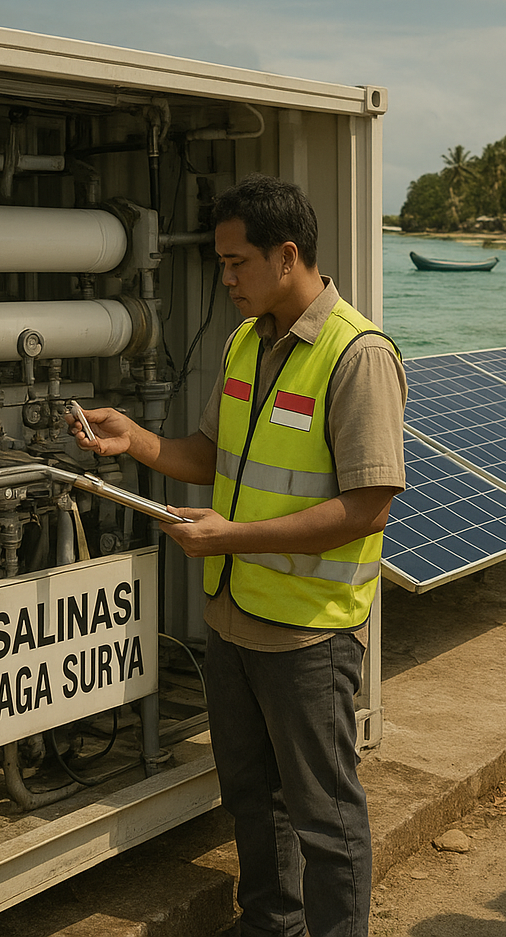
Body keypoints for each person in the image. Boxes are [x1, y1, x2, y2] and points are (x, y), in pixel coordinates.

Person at [68, 173, 407, 937]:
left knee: (326, 820)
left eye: (235, 263)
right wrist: (137, 440)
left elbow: (369, 505)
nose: (224, 280)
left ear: (287, 256)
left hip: (310, 636)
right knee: (253, 801)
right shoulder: (245, 345)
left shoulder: (357, 355)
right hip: (234, 621)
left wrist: (231, 537)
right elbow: (212, 454)